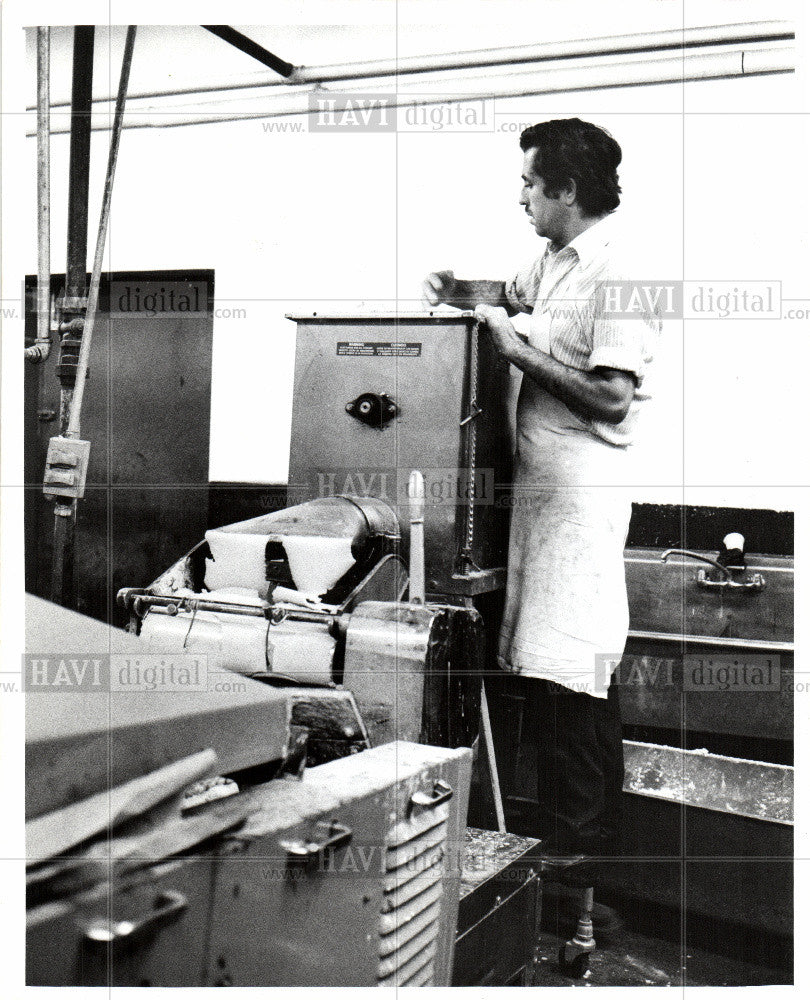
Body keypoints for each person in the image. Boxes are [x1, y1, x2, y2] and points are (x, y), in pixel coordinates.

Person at [423, 118, 661, 937]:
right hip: (536, 509)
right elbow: (509, 298)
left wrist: (514, 352)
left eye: (529, 182)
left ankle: (581, 907)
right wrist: (460, 293)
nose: (520, 194)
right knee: (548, 688)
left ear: (565, 188)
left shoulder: (623, 274)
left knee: (577, 699)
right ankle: (554, 895)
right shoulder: (553, 263)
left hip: (580, 511)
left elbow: (610, 398)